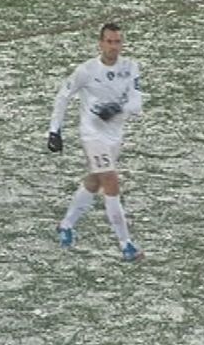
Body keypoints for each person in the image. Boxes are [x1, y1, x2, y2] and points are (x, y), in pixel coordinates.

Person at [47, 22, 144, 262]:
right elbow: (63, 96)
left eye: (117, 42)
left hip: (114, 135)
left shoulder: (131, 67)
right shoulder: (86, 70)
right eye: (109, 42)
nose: (113, 47)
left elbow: (137, 104)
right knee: (111, 181)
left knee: (94, 181)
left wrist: (116, 108)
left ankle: (66, 225)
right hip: (92, 135)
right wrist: (54, 131)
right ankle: (126, 244)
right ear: (100, 43)